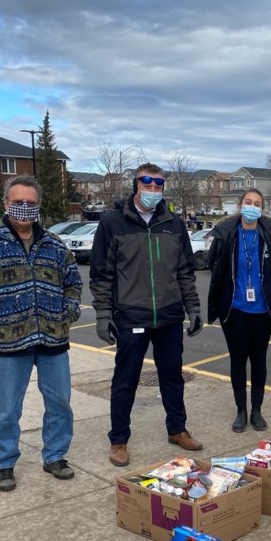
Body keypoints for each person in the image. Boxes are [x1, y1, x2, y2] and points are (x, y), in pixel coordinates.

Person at [0, 174, 83, 492]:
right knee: (7, 407)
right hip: (8, 344)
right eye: (18, 203)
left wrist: (67, 313)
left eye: (31, 203)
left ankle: (54, 456)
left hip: (53, 340)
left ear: (38, 206)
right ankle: (5, 462)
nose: (25, 208)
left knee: (60, 404)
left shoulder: (54, 245)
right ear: (6, 204)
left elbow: (73, 283)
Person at [90, 162, 204, 467]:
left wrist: (192, 307)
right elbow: (102, 274)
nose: (153, 189)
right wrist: (103, 313)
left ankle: (177, 430)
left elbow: (185, 271)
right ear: (135, 185)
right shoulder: (113, 223)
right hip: (131, 316)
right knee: (125, 380)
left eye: (158, 185)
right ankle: (118, 440)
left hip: (168, 316)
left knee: (172, 376)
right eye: (147, 183)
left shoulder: (173, 223)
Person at [206, 188, 271, 433]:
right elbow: (214, 264)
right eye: (248, 202)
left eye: (257, 203)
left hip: (263, 310)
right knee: (238, 360)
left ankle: (257, 410)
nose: (252, 207)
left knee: (259, 360)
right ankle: (241, 410)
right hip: (234, 309)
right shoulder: (227, 234)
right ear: (240, 206)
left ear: (262, 209)